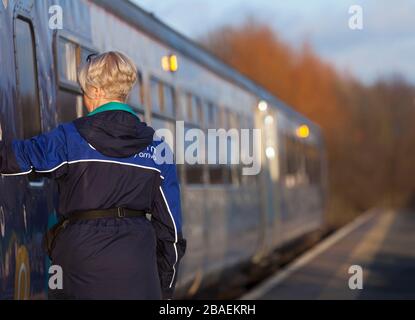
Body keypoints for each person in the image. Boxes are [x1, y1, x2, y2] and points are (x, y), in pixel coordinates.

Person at [0, 51, 186, 300]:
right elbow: (171, 232)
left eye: (84, 91)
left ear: (97, 91)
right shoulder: (157, 149)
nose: (85, 98)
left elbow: (16, 158)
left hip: (80, 268)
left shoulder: (69, 138)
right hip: (139, 272)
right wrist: (163, 287)